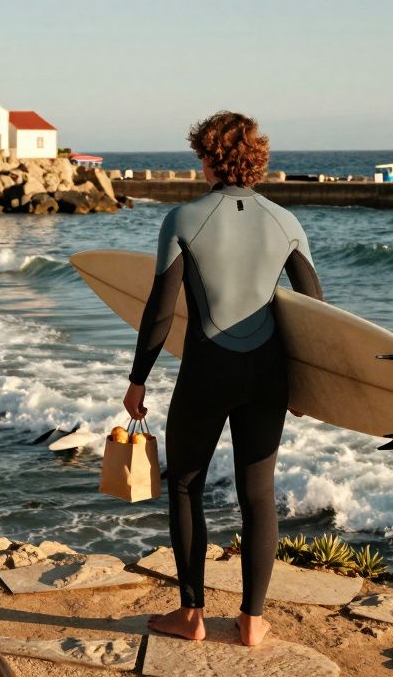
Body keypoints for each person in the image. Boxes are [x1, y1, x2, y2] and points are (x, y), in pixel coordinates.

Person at [124, 112, 324, 647]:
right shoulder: (286, 223)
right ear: (254, 160)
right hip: (268, 378)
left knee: (186, 485)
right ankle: (253, 622)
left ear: (209, 157)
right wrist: (308, 387)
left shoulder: (183, 220)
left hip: (205, 373)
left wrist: (138, 379)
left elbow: (160, 312)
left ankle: (191, 616)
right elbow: (316, 313)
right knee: (258, 495)